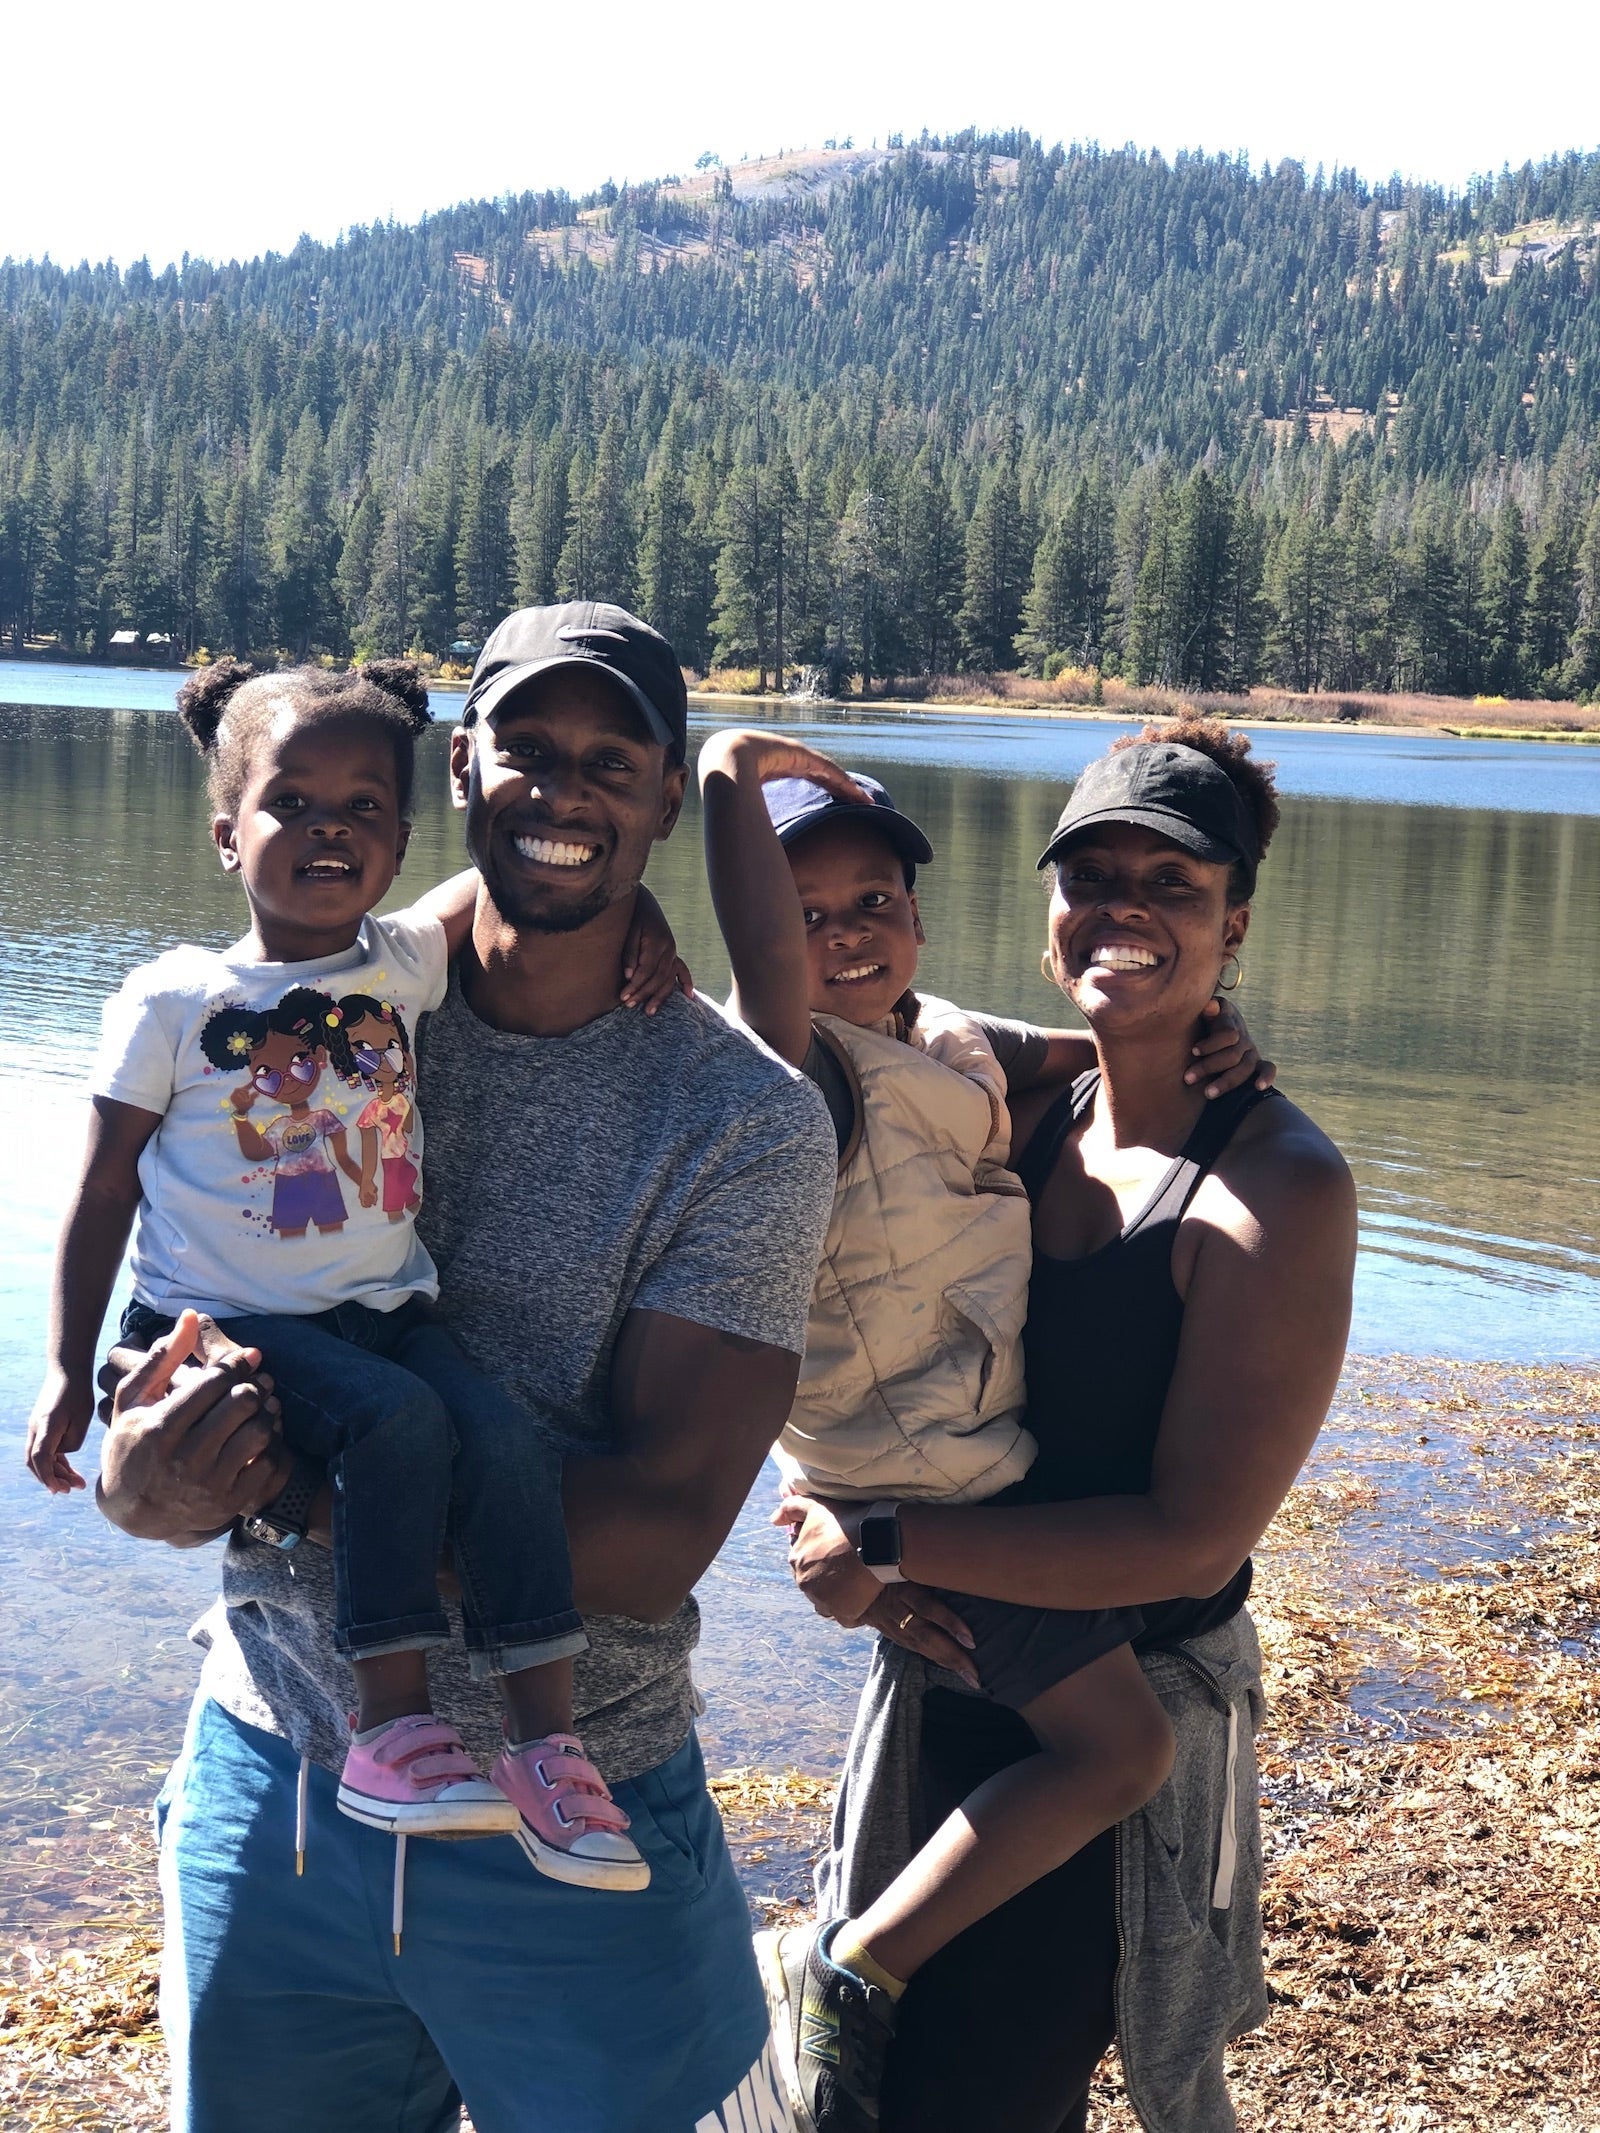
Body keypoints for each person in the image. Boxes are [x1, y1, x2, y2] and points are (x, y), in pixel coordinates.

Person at [88, 603, 838, 2133]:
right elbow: (162, 1339)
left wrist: (284, 1486)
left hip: (578, 1823)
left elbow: (656, 1535)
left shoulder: (743, 1124)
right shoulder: (342, 1015)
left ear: (662, 791)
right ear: (461, 773)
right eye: (529, 750)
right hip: (276, 1787)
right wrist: (140, 1474)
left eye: (611, 762)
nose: (564, 793)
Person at [773, 720, 1357, 2133]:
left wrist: (890, 1544)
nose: (1127, 909)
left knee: (969, 2096)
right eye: (1093, 874)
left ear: (1235, 926)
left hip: (1113, 1741)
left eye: (1175, 883)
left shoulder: (1273, 1190)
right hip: (950, 1692)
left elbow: (1189, 1539)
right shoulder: (1014, 1107)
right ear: (1046, 914)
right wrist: (814, 1515)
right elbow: (863, 1327)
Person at [27, 655, 687, 1886]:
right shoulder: (175, 997)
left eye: (364, 810)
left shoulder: (404, 964)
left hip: (381, 1307)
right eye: (292, 805)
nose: (329, 829)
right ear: (228, 835)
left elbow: (525, 897)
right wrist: (70, 1369)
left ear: (396, 839)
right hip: (228, 1320)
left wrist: (638, 911)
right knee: (396, 1430)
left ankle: (546, 1750)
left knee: (495, 1437)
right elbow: (104, 1184)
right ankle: (391, 1727)